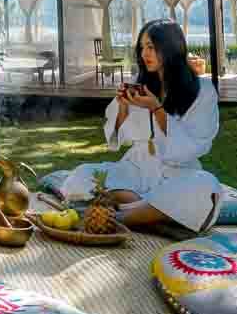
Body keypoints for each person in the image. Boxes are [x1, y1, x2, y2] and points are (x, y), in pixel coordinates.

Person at [60, 19, 224, 233]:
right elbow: (116, 140)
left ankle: (122, 215)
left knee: (207, 187)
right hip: (135, 169)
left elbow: (197, 143)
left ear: (172, 48)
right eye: (142, 47)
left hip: (177, 173)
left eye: (152, 47)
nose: (145, 53)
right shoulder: (140, 85)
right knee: (81, 175)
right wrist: (123, 108)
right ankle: (152, 212)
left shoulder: (203, 90)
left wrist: (157, 109)